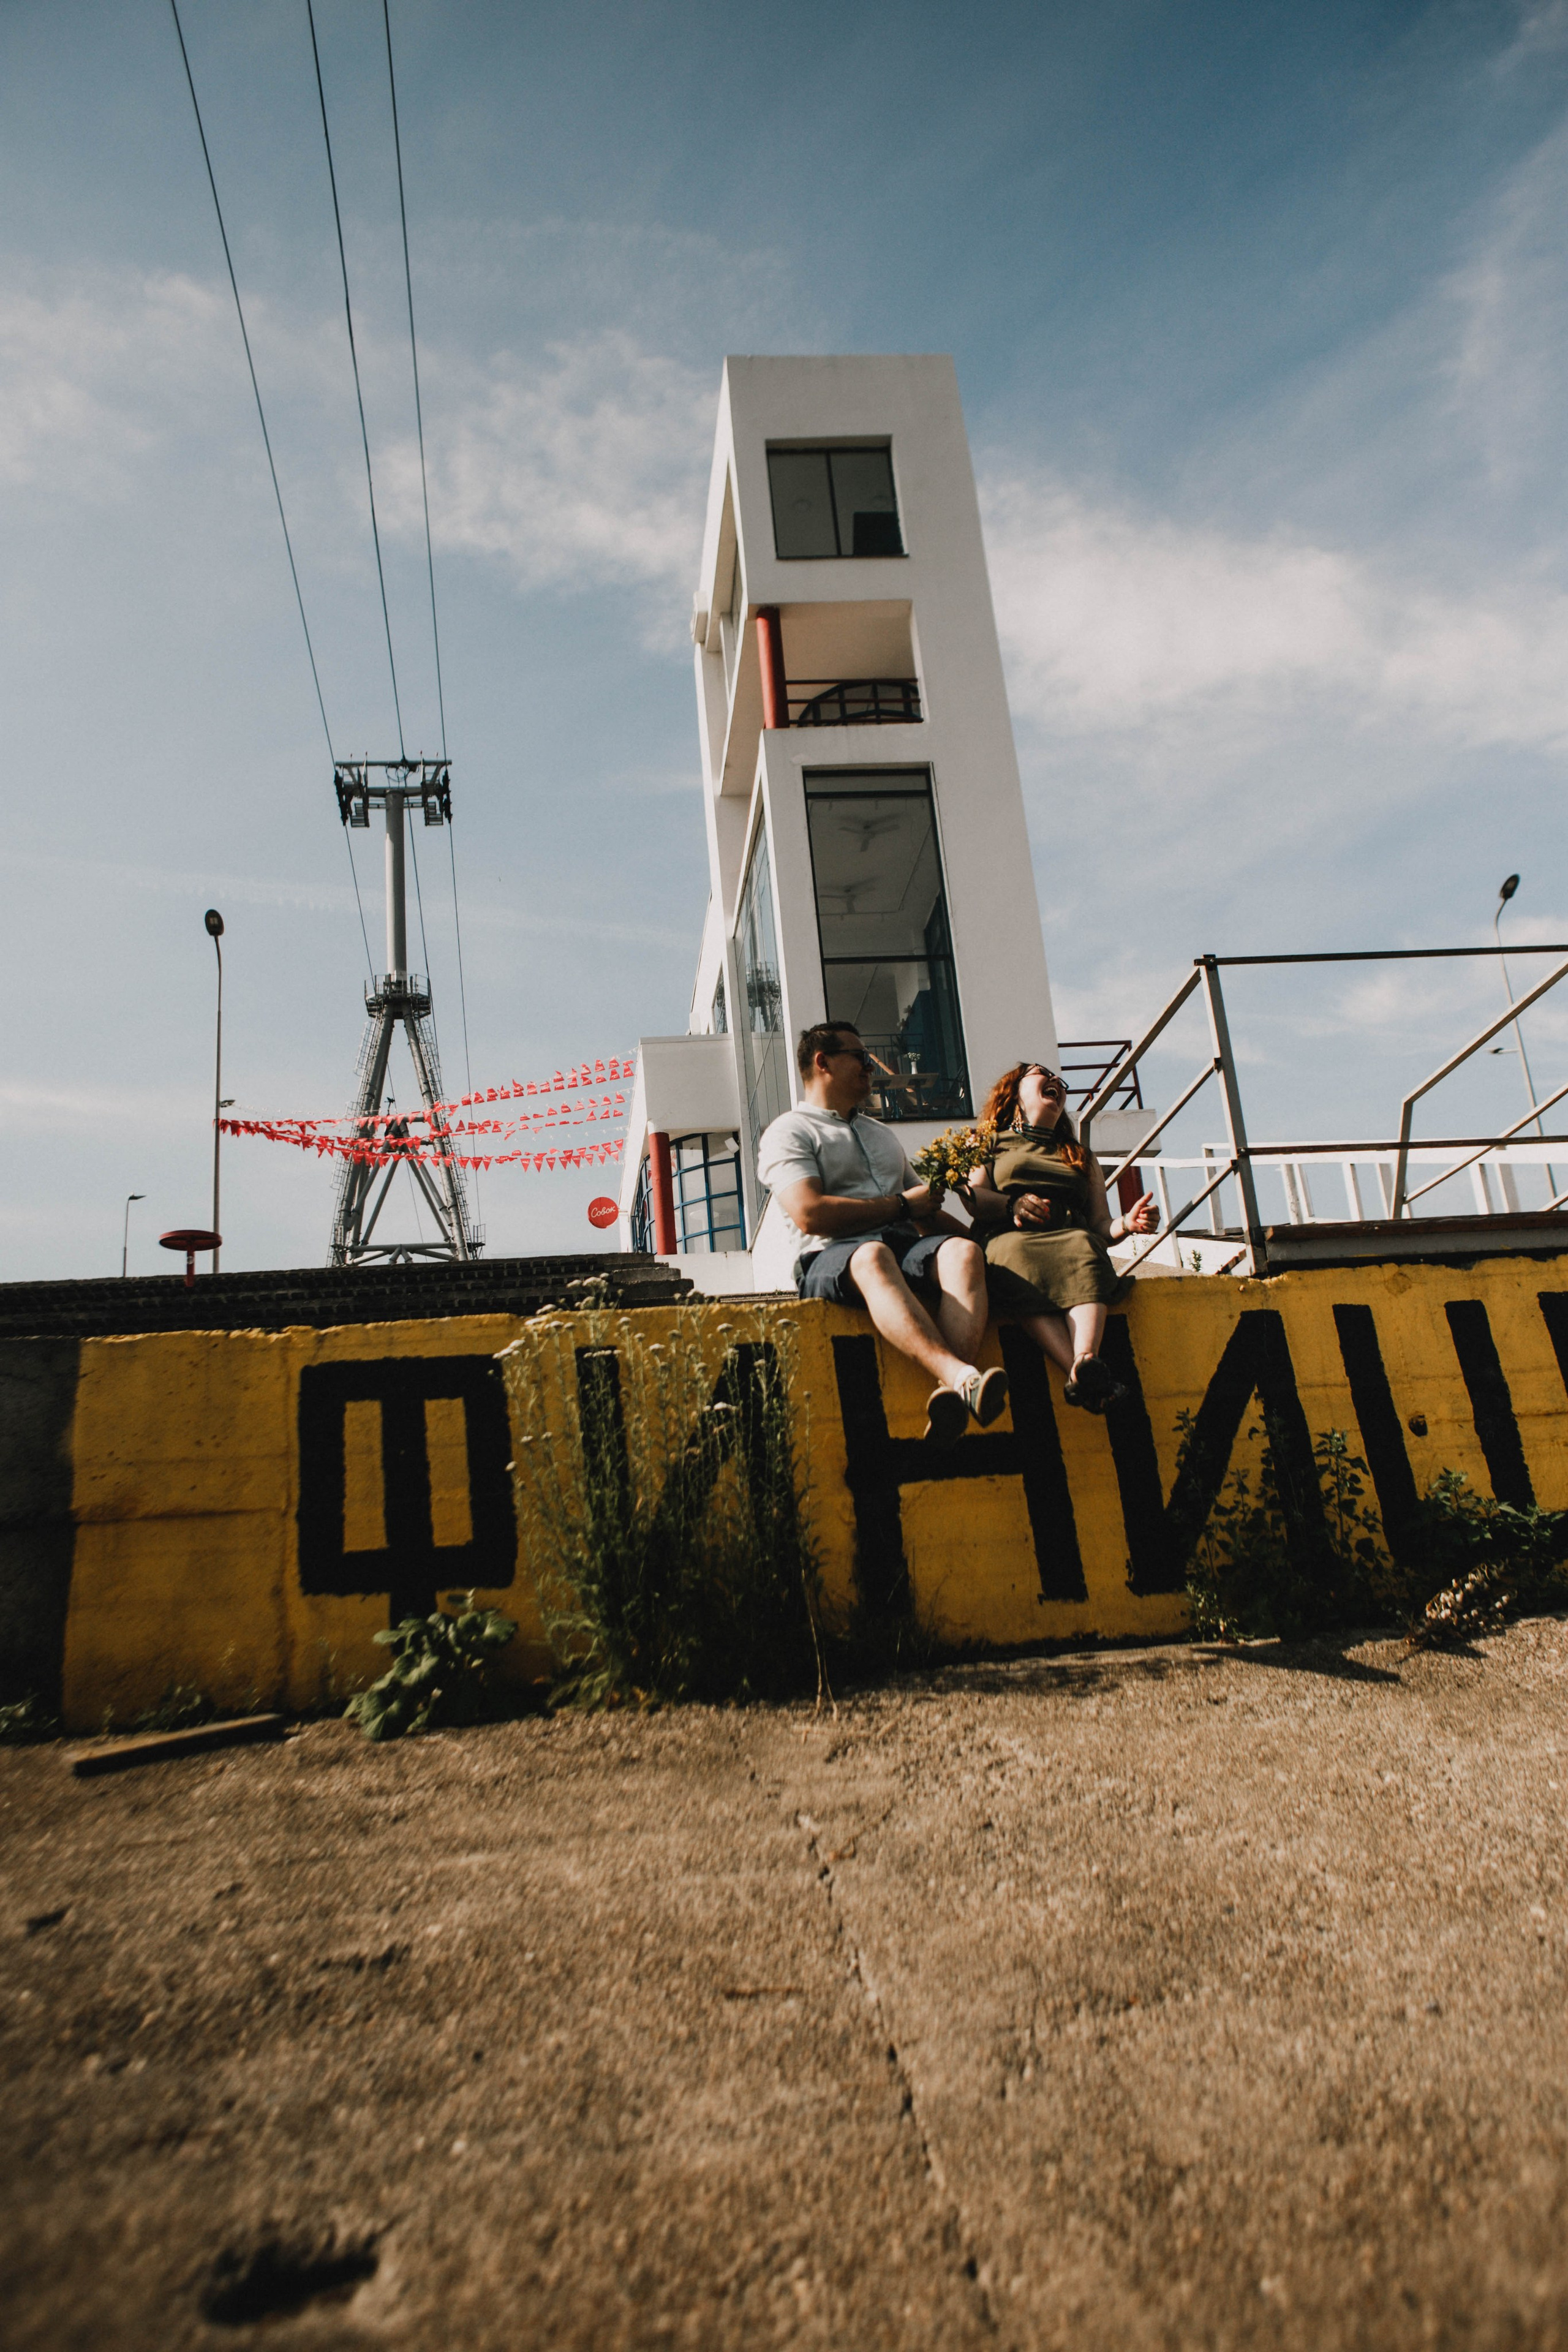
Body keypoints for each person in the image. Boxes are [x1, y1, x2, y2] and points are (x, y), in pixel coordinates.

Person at [758, 1023, 1008, 1446]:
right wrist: (902, 1207)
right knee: (873, 1255)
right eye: (859, 1056)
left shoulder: (881, 1134)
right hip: (830, 1255)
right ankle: (963, 1377)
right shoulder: (789, 1131)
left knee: (964, 1254)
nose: (870, 1066)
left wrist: (983, 1245)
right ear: (823, 1062)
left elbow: (923, 1206)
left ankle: (953, 1394)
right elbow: (809, 1214)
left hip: (903, 1244)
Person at [964, 1062, 1159, 1411]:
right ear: (1015, 1093)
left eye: (1060, 1080)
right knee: (1016, 1257)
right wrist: (1013, 1204)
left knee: (1085, 1245)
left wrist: (1128, 1224)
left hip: (1071, 1237)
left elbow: (1101, 1225)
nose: (1055, 1080)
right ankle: (1086, 1375)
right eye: (1042, 1073)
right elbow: (974, 1199)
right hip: (1010, 1235)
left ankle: (1083, 1362)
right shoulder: (987, 1141)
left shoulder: (1081, 1156)